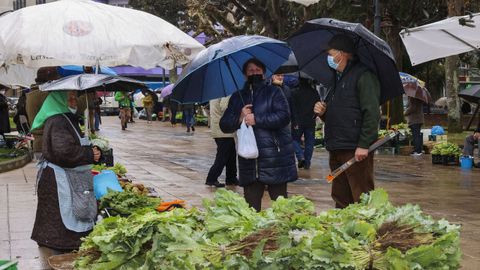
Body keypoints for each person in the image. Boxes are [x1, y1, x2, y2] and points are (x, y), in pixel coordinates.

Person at [220, 58, 297, 211]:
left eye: (257, 70)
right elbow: (225, 125)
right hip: (249, 160)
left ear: (264, 72)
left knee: (281, 207)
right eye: (250, 70)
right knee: (251, 209)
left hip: (275, 157)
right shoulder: (238, 97)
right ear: (244, 74)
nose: (254, 72)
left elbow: (284, 116)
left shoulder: (274, 92)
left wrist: (257, 119)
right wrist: (240, 117)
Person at [313, 34, 380, 209]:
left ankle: (365, 231)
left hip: (354, 147)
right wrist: (323, 113)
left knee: (361, 194)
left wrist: (364, 144)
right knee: (340, 194)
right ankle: (343, 229)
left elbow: (371, 113)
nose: (329, 58)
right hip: (336, 145)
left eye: (331, 53)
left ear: (341, 54)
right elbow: (342, 112)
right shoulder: (336, 78)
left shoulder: (364, 76)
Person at [31, 91, 101, 251]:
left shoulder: (64, 118)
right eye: (69, 98)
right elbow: (64, 152)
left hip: (57, 176)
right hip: (59, 177)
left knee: (53, 215)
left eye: (74, 97)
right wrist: (89, 154)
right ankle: (62, 243)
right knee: (62, 213)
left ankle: (52, 240)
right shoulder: (58, 121)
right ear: (59, 100)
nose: (73, 100)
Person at [26, 67, 60, 158]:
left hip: (40, 143)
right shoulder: (45, 95)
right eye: (55, 78)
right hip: (48, 143)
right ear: (49, 79)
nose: (57, 80)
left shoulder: (33, 93)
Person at [205, 97, 238, 188]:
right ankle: (211, 178)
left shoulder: (216, 93)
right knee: (222, 157)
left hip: (221, 129)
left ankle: (231, 178)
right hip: (223, 130)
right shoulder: (226, 93)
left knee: (231, 156)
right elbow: (225, 107)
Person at [291, 76, 320, 169]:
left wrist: (294, 121)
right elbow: (318, 106)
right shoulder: (314, 92)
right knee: (309, 143)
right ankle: (307, 163)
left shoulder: (294, 92)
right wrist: (314, 116)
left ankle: (300, 156)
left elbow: (293, 108)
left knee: (294, 139)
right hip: (310, 121)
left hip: (298, 121)